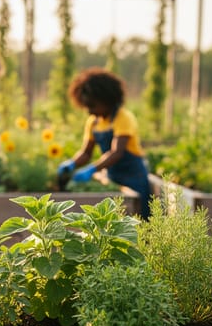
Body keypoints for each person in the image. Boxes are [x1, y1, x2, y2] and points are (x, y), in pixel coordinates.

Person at [57, 67, 152, 220]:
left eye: (92, 106)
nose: (89, 111)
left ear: (107, 100)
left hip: (133, 177)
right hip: (112, 178)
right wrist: (72, 164)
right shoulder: (93, 122)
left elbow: (117, 152)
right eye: (86, 107)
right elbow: (86, 152)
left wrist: (91, 170)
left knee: (138, 219)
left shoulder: (123, 118)